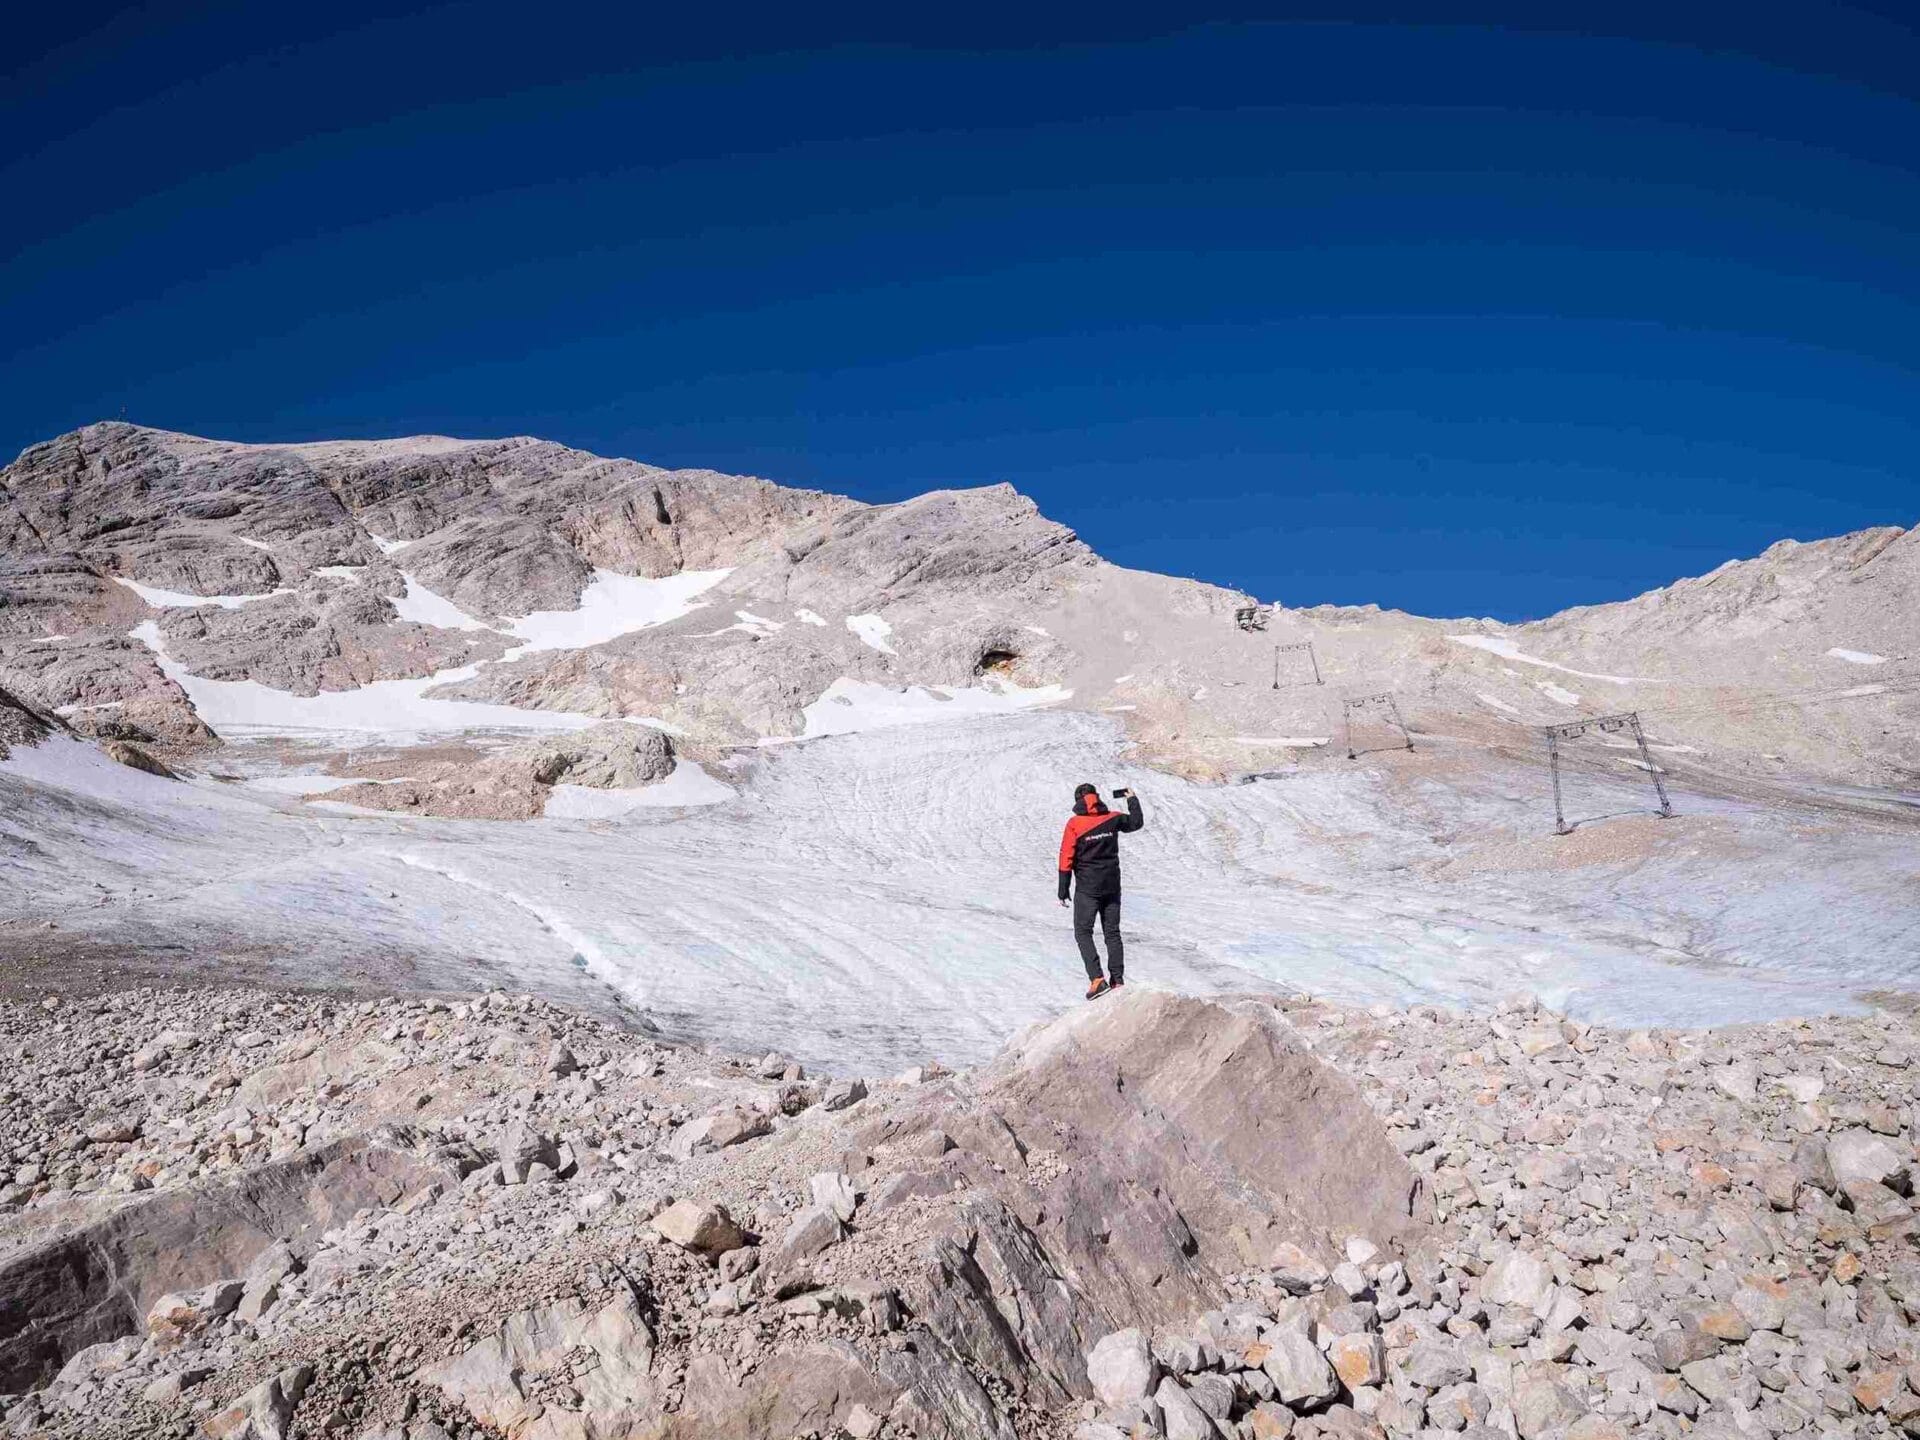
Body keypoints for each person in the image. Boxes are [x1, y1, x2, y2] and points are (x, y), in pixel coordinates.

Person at [1056, 782, 1145, 999]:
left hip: (1088, 889)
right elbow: (1136, 822)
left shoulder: (1075, 824)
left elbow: (1066, 856)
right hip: (1112, 885)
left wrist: (1063, 888)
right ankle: (1117, 981)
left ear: (1078, 800)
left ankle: (1097, 979)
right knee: (1112, 933)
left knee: (1083, 932)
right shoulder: (1112, 818)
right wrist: (1131, 798)